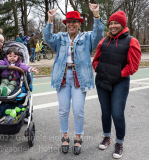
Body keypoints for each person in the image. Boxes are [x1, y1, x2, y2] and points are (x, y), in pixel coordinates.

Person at [43, 4, 104, 155]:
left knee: (78, 111)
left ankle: (78, 137)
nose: (71, 24)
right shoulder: (60, 38)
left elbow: (99, 33)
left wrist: (96, 14)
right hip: (62, 78)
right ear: (66, 24)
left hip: (79, 78)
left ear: (79, 23)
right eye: (69, 21)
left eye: (74, 21)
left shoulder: (87, 37)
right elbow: (47, 37)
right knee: (63, 110)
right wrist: (50, 19)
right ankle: (65, 137)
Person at [92, 11, 141, 159]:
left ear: (123, 24)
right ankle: (107, 137)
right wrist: (97, 68)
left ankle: (119, 142)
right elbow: (96, 59)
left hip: (120, 82)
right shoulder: (104, 40)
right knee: (105, 112)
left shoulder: (132, 41)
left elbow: (133, 66)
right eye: (111, 23)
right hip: (101, 81)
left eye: (116, 23)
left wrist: (118, 74)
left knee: (117, 114)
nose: (113, 25)